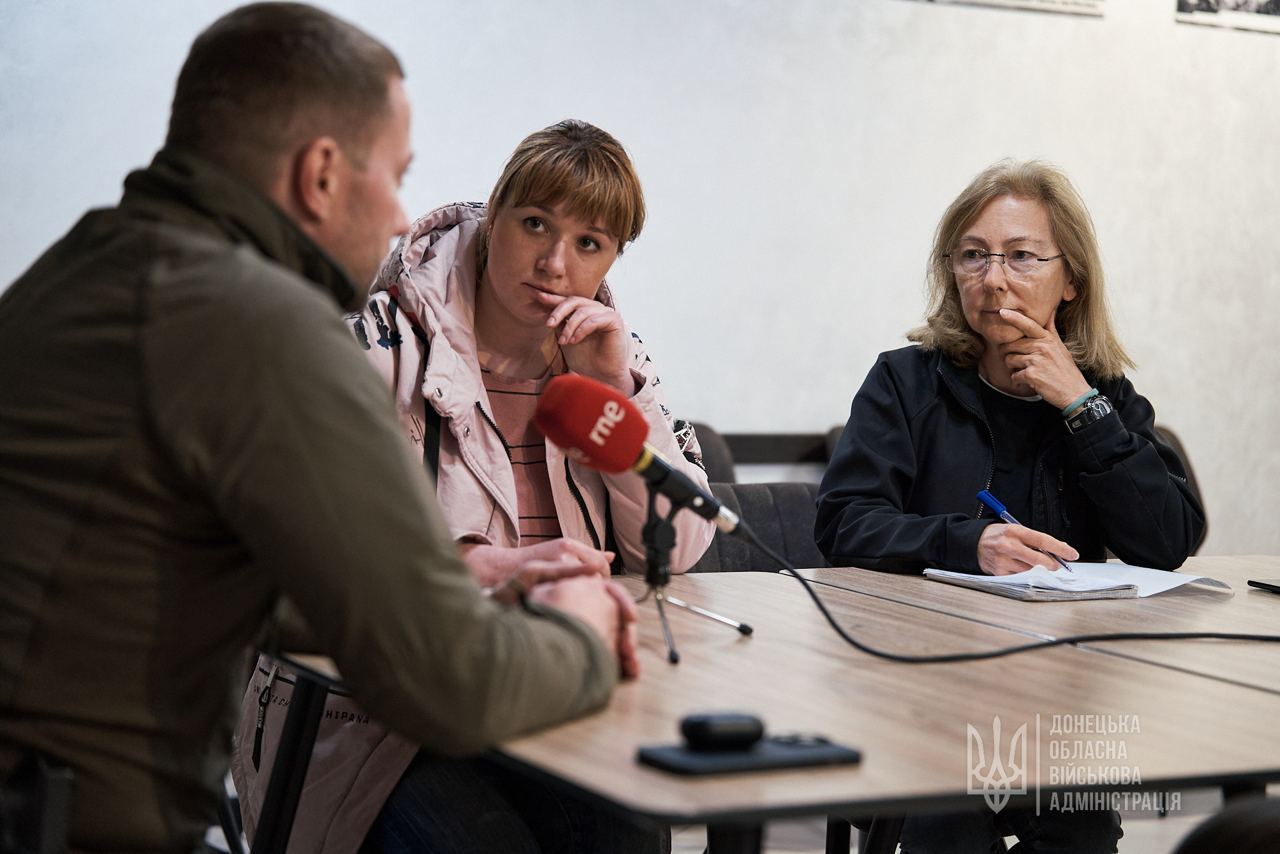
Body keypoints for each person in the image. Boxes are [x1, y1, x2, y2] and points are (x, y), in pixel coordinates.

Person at [0, 5, 639, 852]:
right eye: (396, 177)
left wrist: (466, 577)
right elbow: (451, 684)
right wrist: (584, 632)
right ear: (322, 174)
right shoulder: (261, 322)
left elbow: (195, 567)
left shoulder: (78, 272)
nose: (403, 220)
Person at [232, 120, 713, 854]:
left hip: (554, 701)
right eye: (534, 225)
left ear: (612, 258)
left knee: (628, 838)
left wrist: (612, 394)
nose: (554, 262)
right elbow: (287, 540)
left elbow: (676, 548)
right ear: (494, 218)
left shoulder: (617, 355)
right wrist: (469, 567)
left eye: (589, 243)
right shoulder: (379, 340)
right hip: (384, 722)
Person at [815, 160, 1205, 852]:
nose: (992, 279)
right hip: (928, 690)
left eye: (1021, 256)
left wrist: (1082, 408)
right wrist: (970, 544)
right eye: (973, 256)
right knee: (949, 824)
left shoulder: (1104, 394)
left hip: (1066, 700)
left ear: (1071, 279)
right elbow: (843, 522)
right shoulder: (905, 383)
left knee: (1080, 833)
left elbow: (1168, 539)